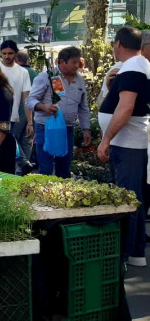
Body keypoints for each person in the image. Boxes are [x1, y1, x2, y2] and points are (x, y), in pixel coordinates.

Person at [97, 26, 150, 267]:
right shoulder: (137, 67)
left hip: (127, 144)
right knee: (131, 197)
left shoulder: (134, 66)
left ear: (118, 43)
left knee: (127, 198)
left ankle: (126, 253)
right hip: (127, 143)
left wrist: (106, 139)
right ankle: (134, 251)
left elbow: (126, 107)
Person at [26, 46, 91, 178]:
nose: (77, 65)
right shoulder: (48, 77)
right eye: (74, 62)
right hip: (46, 127)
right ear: (62, 62)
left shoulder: (79, 80)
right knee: (46, 168)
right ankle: (43, 196)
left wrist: (86, 129)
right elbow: (30, 100)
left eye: (78, 62)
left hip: (67, 128)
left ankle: (61, 196)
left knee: (64, 168)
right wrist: (44, 107)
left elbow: (83, 107)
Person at [0, 40, 34, 173]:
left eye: (10, 53)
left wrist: (30, 122)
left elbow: (26, 98)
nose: (7, 56)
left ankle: (21, 166)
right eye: (4, 53)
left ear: (16, 54)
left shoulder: (23, 72)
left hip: (13, 117)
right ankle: (23, 162)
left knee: (9, 148)